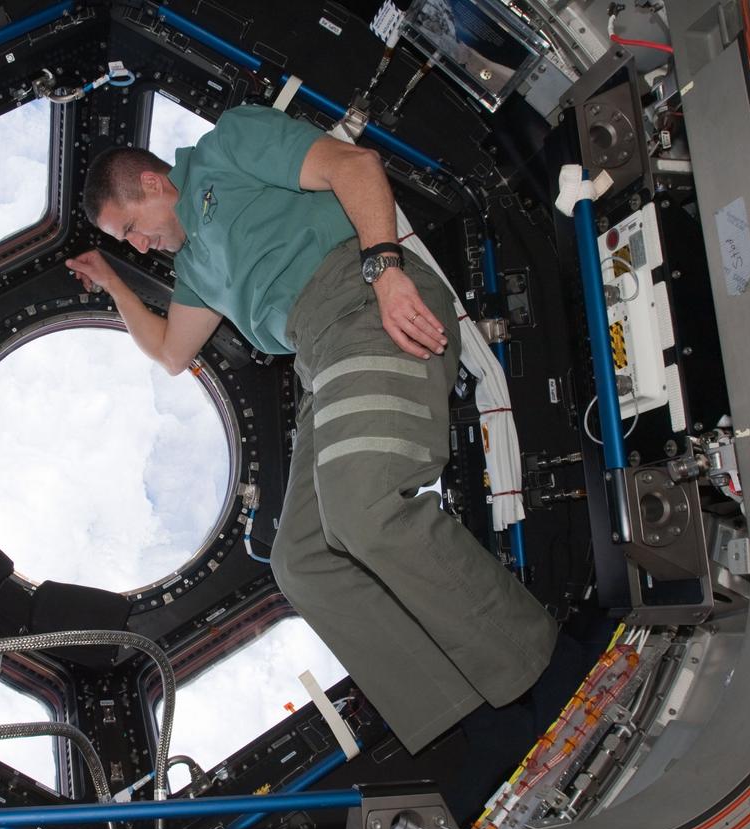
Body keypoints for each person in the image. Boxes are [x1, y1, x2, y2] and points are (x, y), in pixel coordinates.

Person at [65, 104, 557, 754]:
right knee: (300, 560)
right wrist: (114, 285)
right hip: (321, 361)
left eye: (130, 228)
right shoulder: (196, 271)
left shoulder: (229, 146)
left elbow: (354, 166)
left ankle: (544, 672)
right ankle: (463, 721)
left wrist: (386, 273)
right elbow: (172, 352)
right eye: (123, 243)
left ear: (155, 184)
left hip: (361, 304)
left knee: (362, 510)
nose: (136, 245)